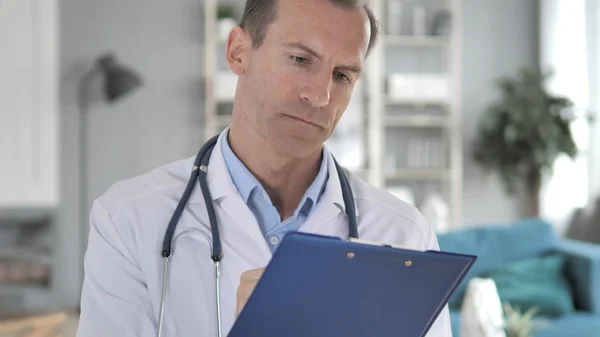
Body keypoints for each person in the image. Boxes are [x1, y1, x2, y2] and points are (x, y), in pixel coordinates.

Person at [76, 0, 453, 336]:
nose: (319, 96)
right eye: (300, 60)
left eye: (342, 76)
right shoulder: (127, 220)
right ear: (238, 52)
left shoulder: (405, 236)